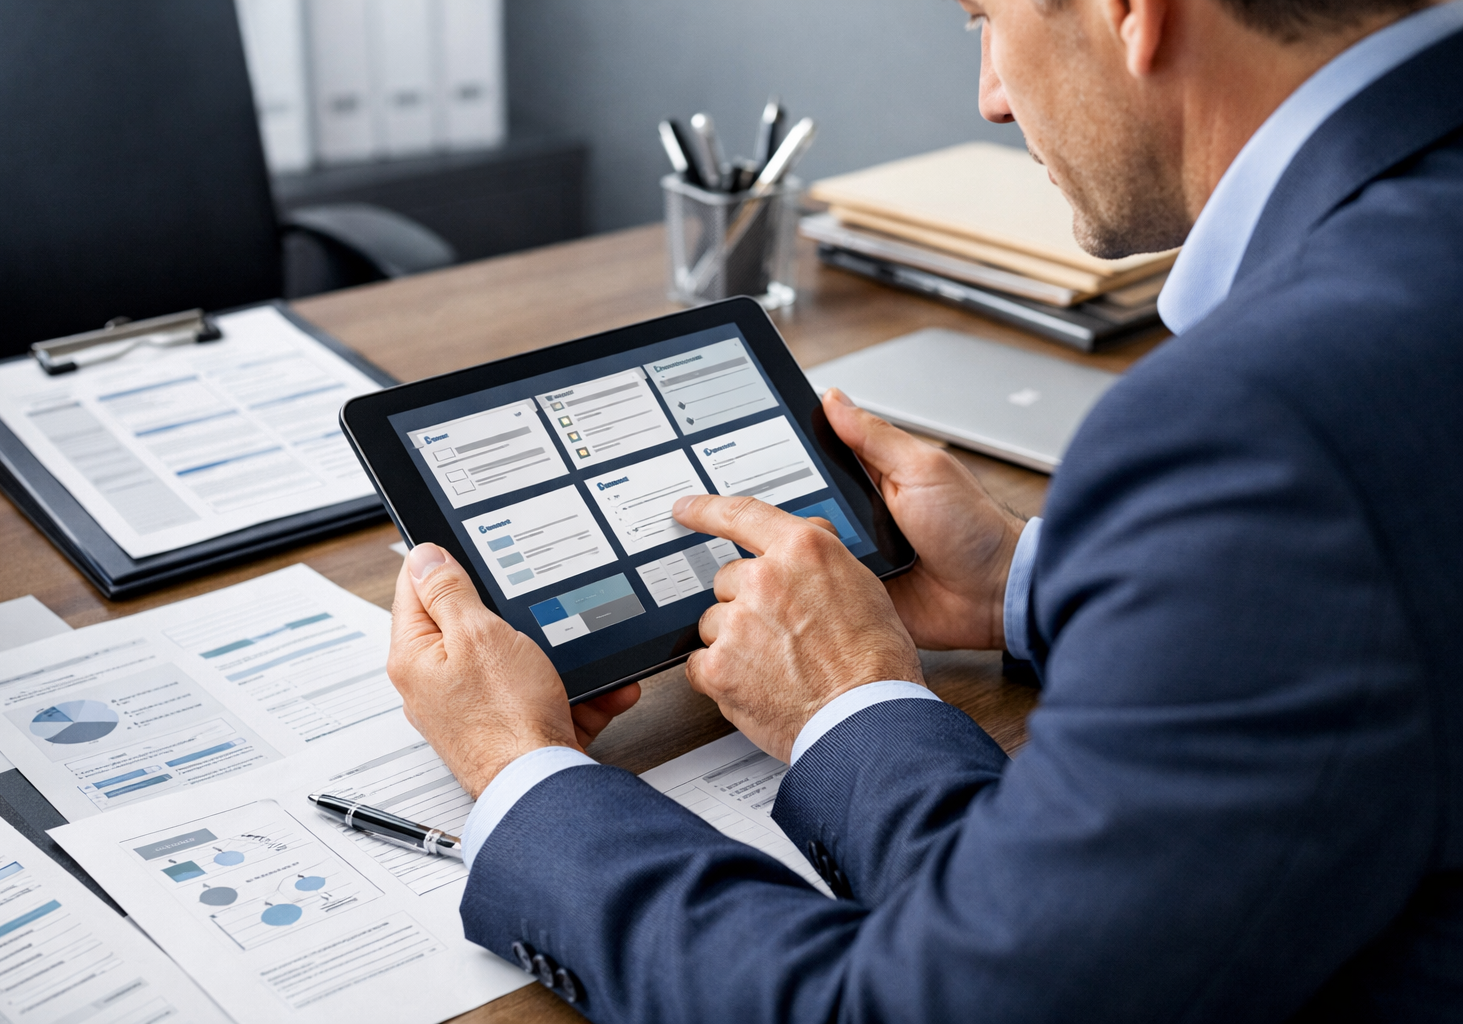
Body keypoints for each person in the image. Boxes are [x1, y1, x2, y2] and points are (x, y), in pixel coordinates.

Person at [387, 0, 1463, 1016]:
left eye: (987, 18)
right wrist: (1014, 585)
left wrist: (523, 765)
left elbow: (934, 1005)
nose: (990, 96)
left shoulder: (1261, 421)